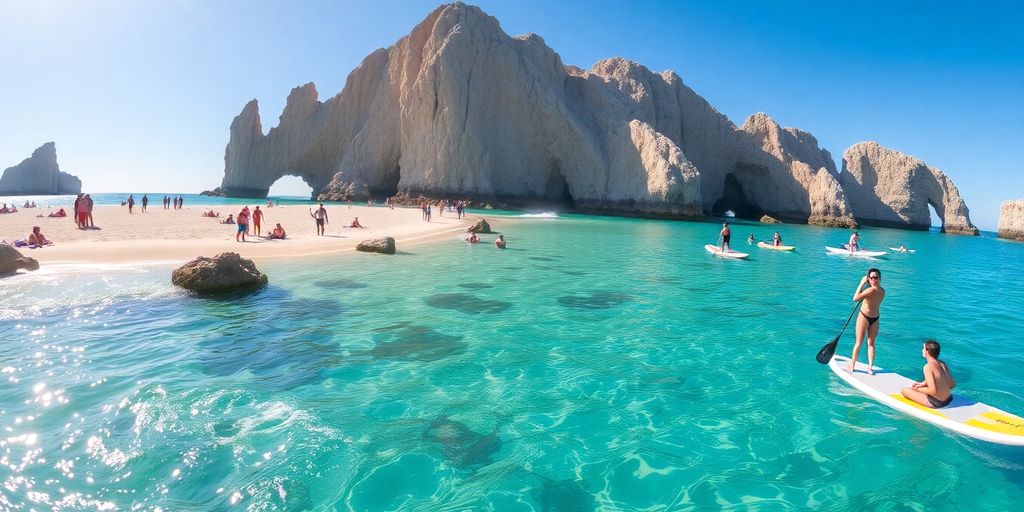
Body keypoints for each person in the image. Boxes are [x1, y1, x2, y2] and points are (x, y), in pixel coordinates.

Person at [848, 268, 886, 374]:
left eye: (876, 278)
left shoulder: (870, 290)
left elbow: (855, 298)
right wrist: (866, 286)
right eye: (871, 278)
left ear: (880, 278)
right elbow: (869, 298)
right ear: (869, 279)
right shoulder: (882, 291)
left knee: (862, 342)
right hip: (873, 317)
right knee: (868, 343)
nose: (874, 280)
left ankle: (854, 366)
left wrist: (861, 283)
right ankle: (868, 367)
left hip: (867, 317)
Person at [901, 340, 956, 408]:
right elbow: (952, 385)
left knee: (904, 390)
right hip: (949, 399)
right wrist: (922, 384)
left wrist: (917, 389)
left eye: (923, 348)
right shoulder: (942, 364)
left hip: (937, 403)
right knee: (923, 389)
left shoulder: (928, 367)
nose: (922, 350)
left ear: (927, 351)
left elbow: (932, 391)